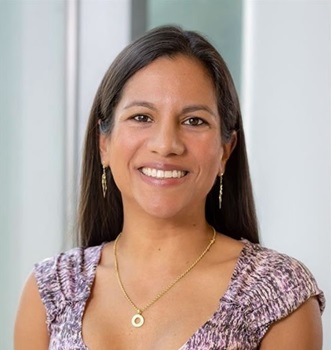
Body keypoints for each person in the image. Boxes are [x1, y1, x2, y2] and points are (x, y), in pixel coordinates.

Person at [14, 25, 325, 350]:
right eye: (141, 117)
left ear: (226, 151)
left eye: (194, 121)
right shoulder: (50, 290)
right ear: (103, 143)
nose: (165, 145)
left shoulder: (275, 291)